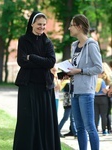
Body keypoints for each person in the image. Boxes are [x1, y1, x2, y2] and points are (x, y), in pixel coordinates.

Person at [13, 11, 61, 150]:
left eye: (44, 25)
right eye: (39, 24)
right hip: (27, 86)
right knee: (28, 120)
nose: (42, 27)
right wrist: (42, 62)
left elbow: (51, 62)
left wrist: (32, 57)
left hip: (45, 87)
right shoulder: (23, 40)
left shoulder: (47, 42)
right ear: (32, 24)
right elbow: (22, 61)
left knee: (44, 120)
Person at [67, 14, 103, 150]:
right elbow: (75, 66)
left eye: (71, 25)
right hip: (74, 90)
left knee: (90, 127)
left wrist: (80, 71)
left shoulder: (92, 45)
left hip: (86, 91)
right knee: (79, 127)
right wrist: (67, 73)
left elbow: (98, 67)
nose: (69, 28)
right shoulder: (74, 45)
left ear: (79, 26)